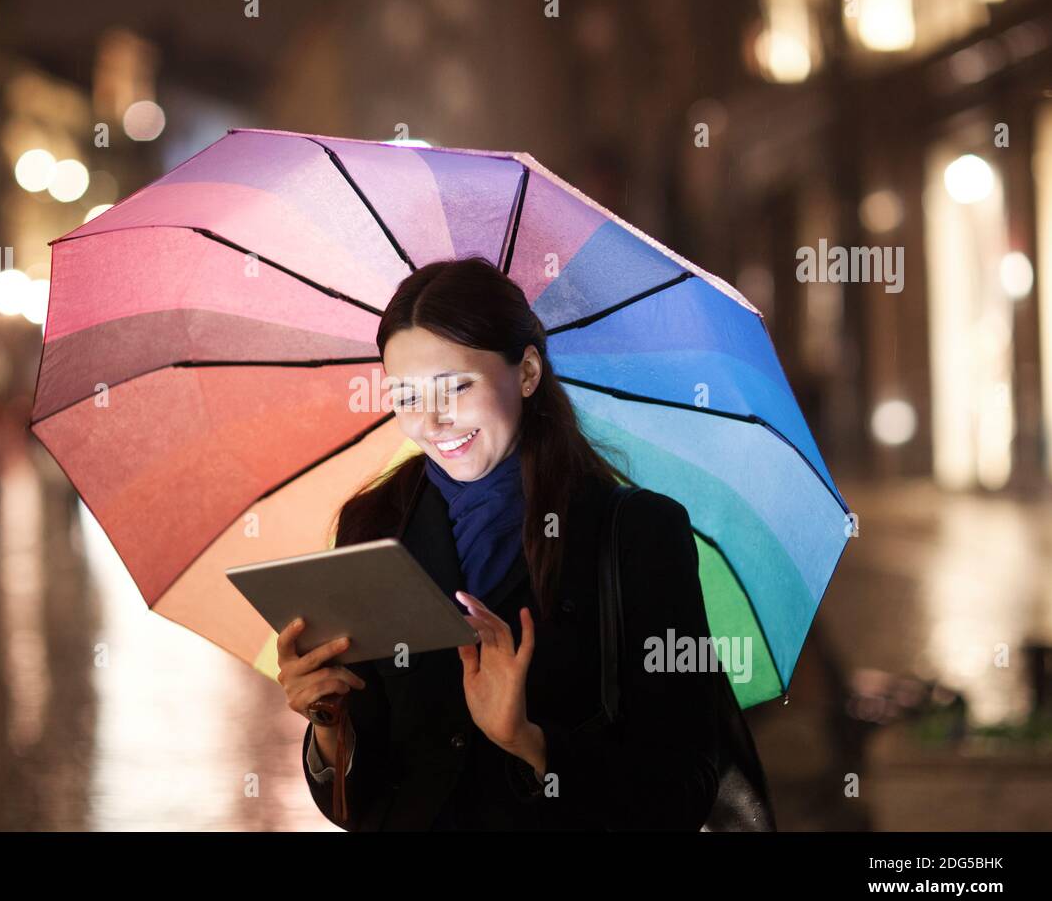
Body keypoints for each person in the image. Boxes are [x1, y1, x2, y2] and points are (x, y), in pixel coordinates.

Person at [277, 256, 772, 830]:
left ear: (528, 373)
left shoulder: (636, 534)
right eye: (406, 396)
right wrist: (329, 723)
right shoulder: (374, 525)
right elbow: (360, 805)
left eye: (455, 387)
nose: (431, 421)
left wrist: (529, 741)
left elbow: (683, 790)